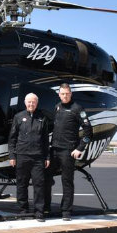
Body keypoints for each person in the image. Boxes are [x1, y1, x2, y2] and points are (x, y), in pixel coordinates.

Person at [45, 83, 93, 221]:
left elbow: (88, 131)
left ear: (71, 94)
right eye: (62, 93)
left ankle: (66, 211)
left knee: (67, 181)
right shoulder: (57, 107)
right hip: (54, 149)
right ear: (59, 94)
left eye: (67, 93)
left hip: (68, 151)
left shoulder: (78, 109)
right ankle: (46, 207)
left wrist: (79, 148)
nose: (65, 96)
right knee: (46, 179)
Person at [8, 93, 50, 221]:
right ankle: (23, 210)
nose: (31, 104)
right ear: (25, 103)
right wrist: (12, 155)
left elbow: (45, 140)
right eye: (29, 102)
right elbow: (12, 138)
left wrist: (47, 157)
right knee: (21, 184)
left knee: (39, 185)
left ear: (37, 103)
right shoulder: (18, 117)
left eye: (33, 102)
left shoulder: (42, 118)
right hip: (22, 156)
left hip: (38, 157)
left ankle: (39, 212)